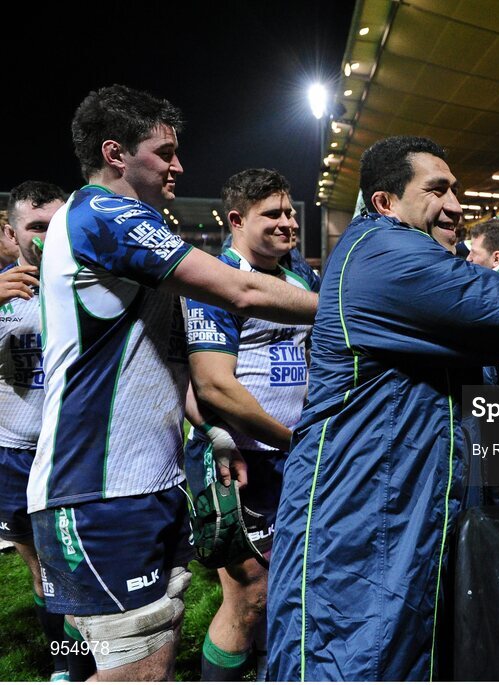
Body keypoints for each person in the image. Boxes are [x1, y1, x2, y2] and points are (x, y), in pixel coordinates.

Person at [267, 135, 499, 681]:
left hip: (400, 513)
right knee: (350, 667)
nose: (457, 206)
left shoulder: (409, 261)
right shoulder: (386, 255)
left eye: (455, 190)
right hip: (358, 522)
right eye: (437, 190)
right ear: (386, 203)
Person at [29, 84, 318, 682]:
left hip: (145, 479)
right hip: (99, 485)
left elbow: (167, 365)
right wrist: (354, 306)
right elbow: (240, 290)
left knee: (154, 654)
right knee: (138, 668)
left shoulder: (123, 228)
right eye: (165, 152)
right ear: (116, 154)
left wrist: (213, 434)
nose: (178, 166)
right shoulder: (104, 215)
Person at [184, 168, 319, 681]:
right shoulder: (212, 281)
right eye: (273, 215)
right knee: (250, 596)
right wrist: (291, 440)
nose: (288, 223)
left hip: (292, 456)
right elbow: (212, 386)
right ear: (238, 220)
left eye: (289, 212)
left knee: (288, 583)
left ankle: (266, 669)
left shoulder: (301, 275)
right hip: (241, 460)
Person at [1, 182, 75, 681]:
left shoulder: (85, 284)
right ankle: (64, 660)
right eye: (36, 226)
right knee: (41, 569)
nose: (48, 237)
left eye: (56, 225)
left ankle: (100, 654)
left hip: (73, 453)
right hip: (13, 456)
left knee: (77, 567)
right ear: (11, 232)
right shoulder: (2, 293)